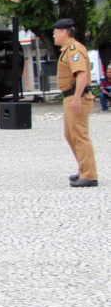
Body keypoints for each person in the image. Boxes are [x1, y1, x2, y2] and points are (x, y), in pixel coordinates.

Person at [54, 19, 98, 187]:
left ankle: (89, 174)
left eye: (55, 32)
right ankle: (83, 169)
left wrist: (77, 98)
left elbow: (81, 74)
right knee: (70, 134)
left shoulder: (74, 50)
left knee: (80, 135)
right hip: (70, 96)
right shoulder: (67, 50)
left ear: (63, 32)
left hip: (75, 96)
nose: (54, 36)